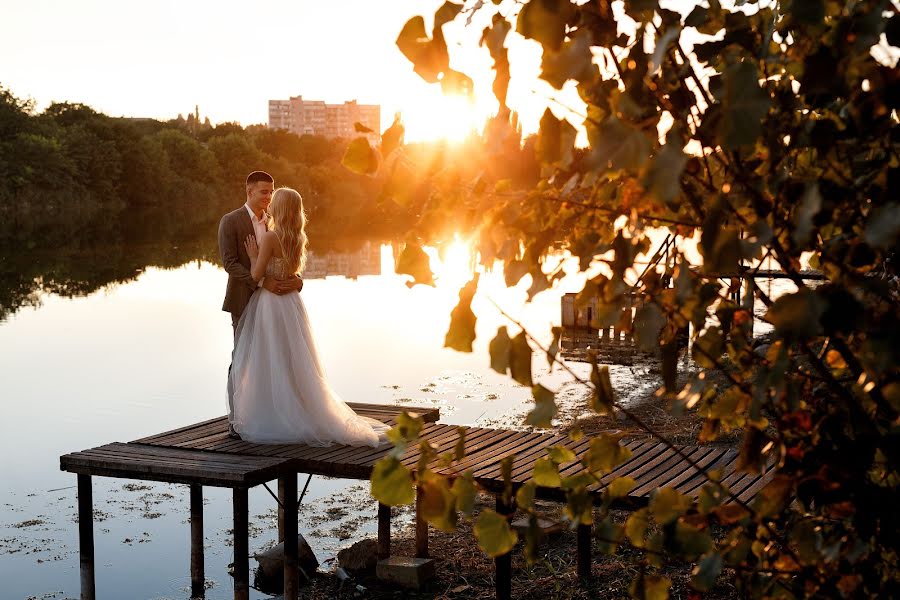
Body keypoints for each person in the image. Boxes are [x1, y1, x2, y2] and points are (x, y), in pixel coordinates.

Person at [228, 187, 389, 446]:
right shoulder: (298, 239)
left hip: (271, 304)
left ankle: (274, 409)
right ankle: (300, 406)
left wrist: (253, 255)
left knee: (271, 357)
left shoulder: (270, 238)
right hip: (291, 304)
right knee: (294, 358)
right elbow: (293, 275)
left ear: (279, 208)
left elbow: (256, 276)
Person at [219, 171, 303, 438]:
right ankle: (236, 420)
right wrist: (261, 282)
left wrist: (297, 280)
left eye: (271, 192)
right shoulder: (230, 221)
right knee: (241, 359)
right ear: (249, 191)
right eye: (263, 192)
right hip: (244, 299)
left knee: (275, 358)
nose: (267, 197)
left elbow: (288, 261)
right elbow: (230, 263)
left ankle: (270, 413)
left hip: (276, 304)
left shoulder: (276, 224)